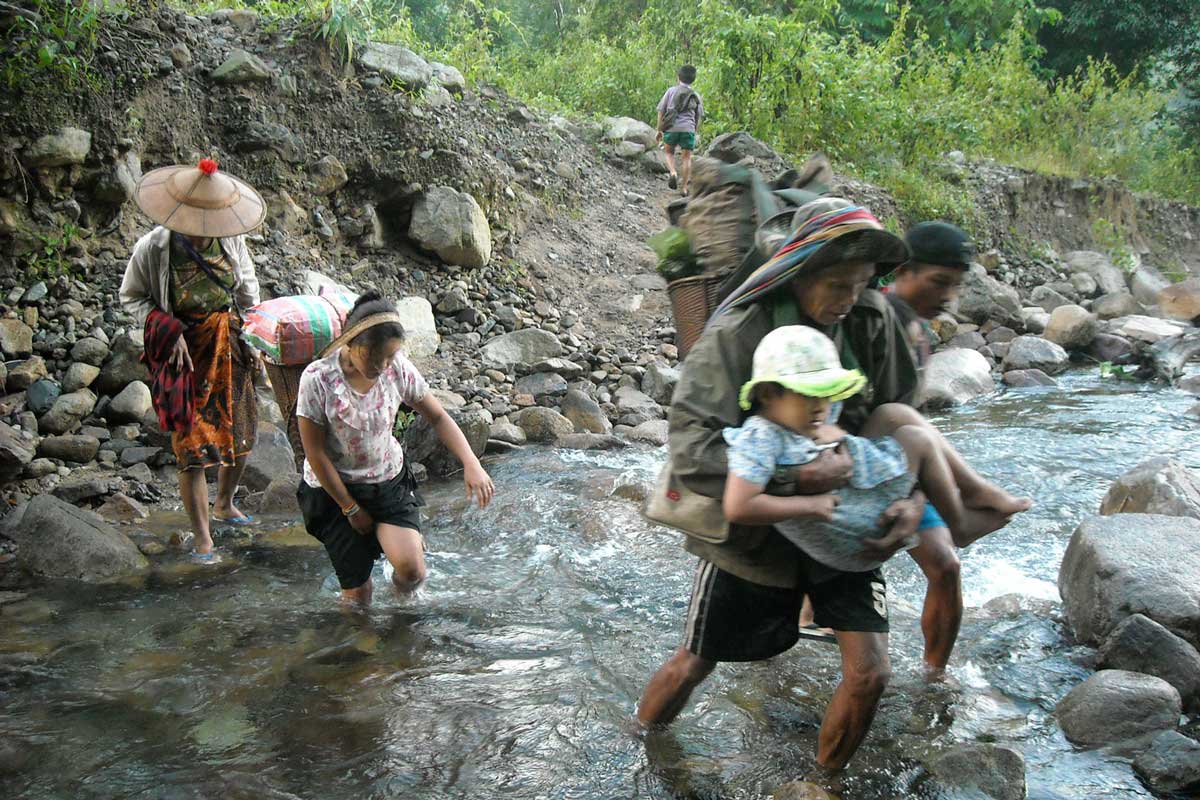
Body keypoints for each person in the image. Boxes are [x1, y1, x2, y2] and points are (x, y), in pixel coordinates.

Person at [636, 197, 1025, 773]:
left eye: (862, 284)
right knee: (697, 661)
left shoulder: (872, 320)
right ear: (799, 274)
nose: (849, 299)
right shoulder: (738, 333)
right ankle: (642, 743)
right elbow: (692, 448)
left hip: (845, 521)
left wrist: (911, 499)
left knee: (870, 673)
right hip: (757, 529)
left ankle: (824, 782)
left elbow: (900, 420)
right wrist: (795, 477)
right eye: (837, 285)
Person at [723, 325, 1030, 568]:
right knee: (917, 440)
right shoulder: (760, 437)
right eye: (807, 395)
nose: (820, 407)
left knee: (893, 414)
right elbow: (738, 506)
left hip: (853, 498)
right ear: (767, 394)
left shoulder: (807, 415)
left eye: (825, 394)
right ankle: (959, 523)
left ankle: (975, 490)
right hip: (846, 529)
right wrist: (810, 506)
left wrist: (829, 434)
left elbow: (835, 427)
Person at [295, 292, 495, 606]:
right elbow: (315, 453)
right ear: (351, 342)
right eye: (374, 356)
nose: (382, 365)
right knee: (358, 596)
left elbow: (438, 416)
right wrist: (350, 508)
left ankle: (401, 622)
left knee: (413, 573)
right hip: (333, 490)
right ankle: (360, 637)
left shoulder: (396, 368)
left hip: (386, 481)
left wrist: (471, 462)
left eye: (389, 356)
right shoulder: (318, 379)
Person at [121, 158, 265, 562]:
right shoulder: (153, 248)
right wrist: (168, 331)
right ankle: (203, 538)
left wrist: (255, 341)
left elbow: (249, 295)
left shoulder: (232, 242)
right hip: (183, 356)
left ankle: (225, 503)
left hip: (228, 344)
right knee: (191, 446)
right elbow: (131, 297)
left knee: (242, 431)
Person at [879, 220, 975, 677]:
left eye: (955, 285)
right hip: (869, 468)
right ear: (904, 271)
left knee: (946, 566)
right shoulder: (875, 320)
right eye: (938, 282)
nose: (947, 296)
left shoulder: (916, 328)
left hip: (905, 464)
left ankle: (935, 674)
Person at [655, 64, 703, 196]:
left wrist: (659, 130)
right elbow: (698, 116)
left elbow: (661, 111)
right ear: (693, 79)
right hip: (688, 128)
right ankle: (684, 188)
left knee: (668, 152)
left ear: (678, 77)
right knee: (686, 158)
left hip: (672, 128)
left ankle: (673, 172)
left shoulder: (671, 91)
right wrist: (694, 131)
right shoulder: (696, 95)